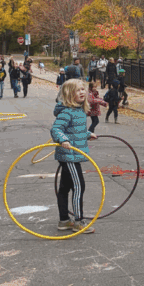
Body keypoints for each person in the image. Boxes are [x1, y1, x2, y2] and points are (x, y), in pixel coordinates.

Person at [51, 79, 98, 234]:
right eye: (78, 90)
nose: (82, 92)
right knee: (79, 186)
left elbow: (76, 131)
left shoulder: (79, 110)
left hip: (73, 154)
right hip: (69, 155)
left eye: (83, 89)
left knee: (64, 188)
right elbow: (56, 129)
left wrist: (87, 134)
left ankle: (64, 221)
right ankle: (78, 222)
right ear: (69, 94)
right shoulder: (66, 111)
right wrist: (62, 139)